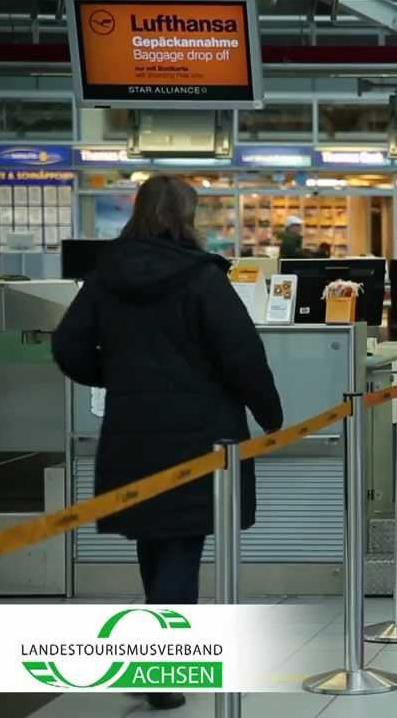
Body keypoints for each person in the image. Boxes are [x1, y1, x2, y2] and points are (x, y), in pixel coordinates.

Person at [51, 175, 283, 709]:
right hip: (200, 434)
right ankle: (161, 667)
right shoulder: (201, 278)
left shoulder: (105, 276)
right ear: (187, 216)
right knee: (182, 545)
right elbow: (240, 354)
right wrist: (270, 415)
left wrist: (117, 375)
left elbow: (68, 346)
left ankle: (155, 656)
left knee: (155, 541)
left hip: (133, 429)